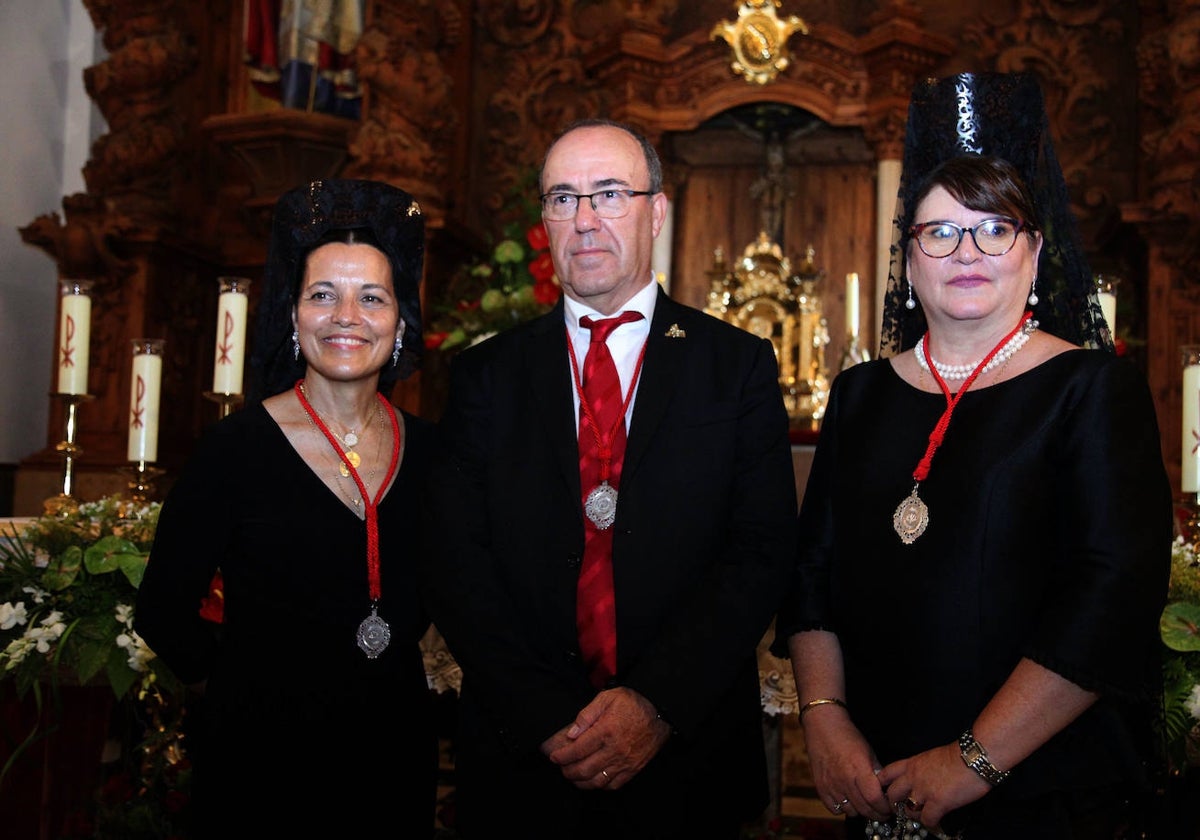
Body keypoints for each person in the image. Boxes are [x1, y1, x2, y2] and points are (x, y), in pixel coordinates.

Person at [772, 72, 1172, 840]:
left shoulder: (1093, 388)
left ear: (1034, 251)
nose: (968, 252)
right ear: (911, 258)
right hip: (877, 775)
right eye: (941, 232)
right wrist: (825, 722)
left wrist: (972, 761)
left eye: (995, 229)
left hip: (1042, 788)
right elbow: (812, 574)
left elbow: (1109, 599)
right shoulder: (858, 394)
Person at [421, 118, 798, 839]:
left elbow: (760, 552)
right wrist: (545, 715)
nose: (584, 220)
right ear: (544, 223)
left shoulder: (735, 366)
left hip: (686, 756)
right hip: (523, 760)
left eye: (609, 194)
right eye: (563, 198)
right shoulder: (484, 376)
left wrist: (654, 702)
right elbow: (454, 562)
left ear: (656, 211)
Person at [134, 178, 438, 837]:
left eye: (373, 297)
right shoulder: (233, 449)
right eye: (323, 294)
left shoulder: (437, 453)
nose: (347, 316)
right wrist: (240, 681)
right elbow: (160, 608)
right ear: (294, 317)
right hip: (259, 759)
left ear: (400, 321)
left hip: (393, 757)